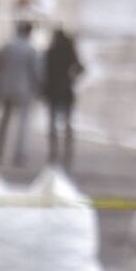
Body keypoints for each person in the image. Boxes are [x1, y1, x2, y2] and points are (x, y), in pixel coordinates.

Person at [0, 22, 42, 166]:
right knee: (23, 124)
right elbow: (36, 72)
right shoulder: (31, 50)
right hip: (24, 89)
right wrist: (38, 88)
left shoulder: (7, 46)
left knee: (3, 121)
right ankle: (20, 156)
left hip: (6, 87)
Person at [44, 28, 84, 170]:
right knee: (67, 122)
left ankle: (54, 152)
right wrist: (71, 78)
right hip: (66, 90)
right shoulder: (69, 53)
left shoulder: (50, 52)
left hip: (53, 90)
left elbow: (44, 72)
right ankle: (67, 151)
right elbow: (81, 68)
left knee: (53, 123)